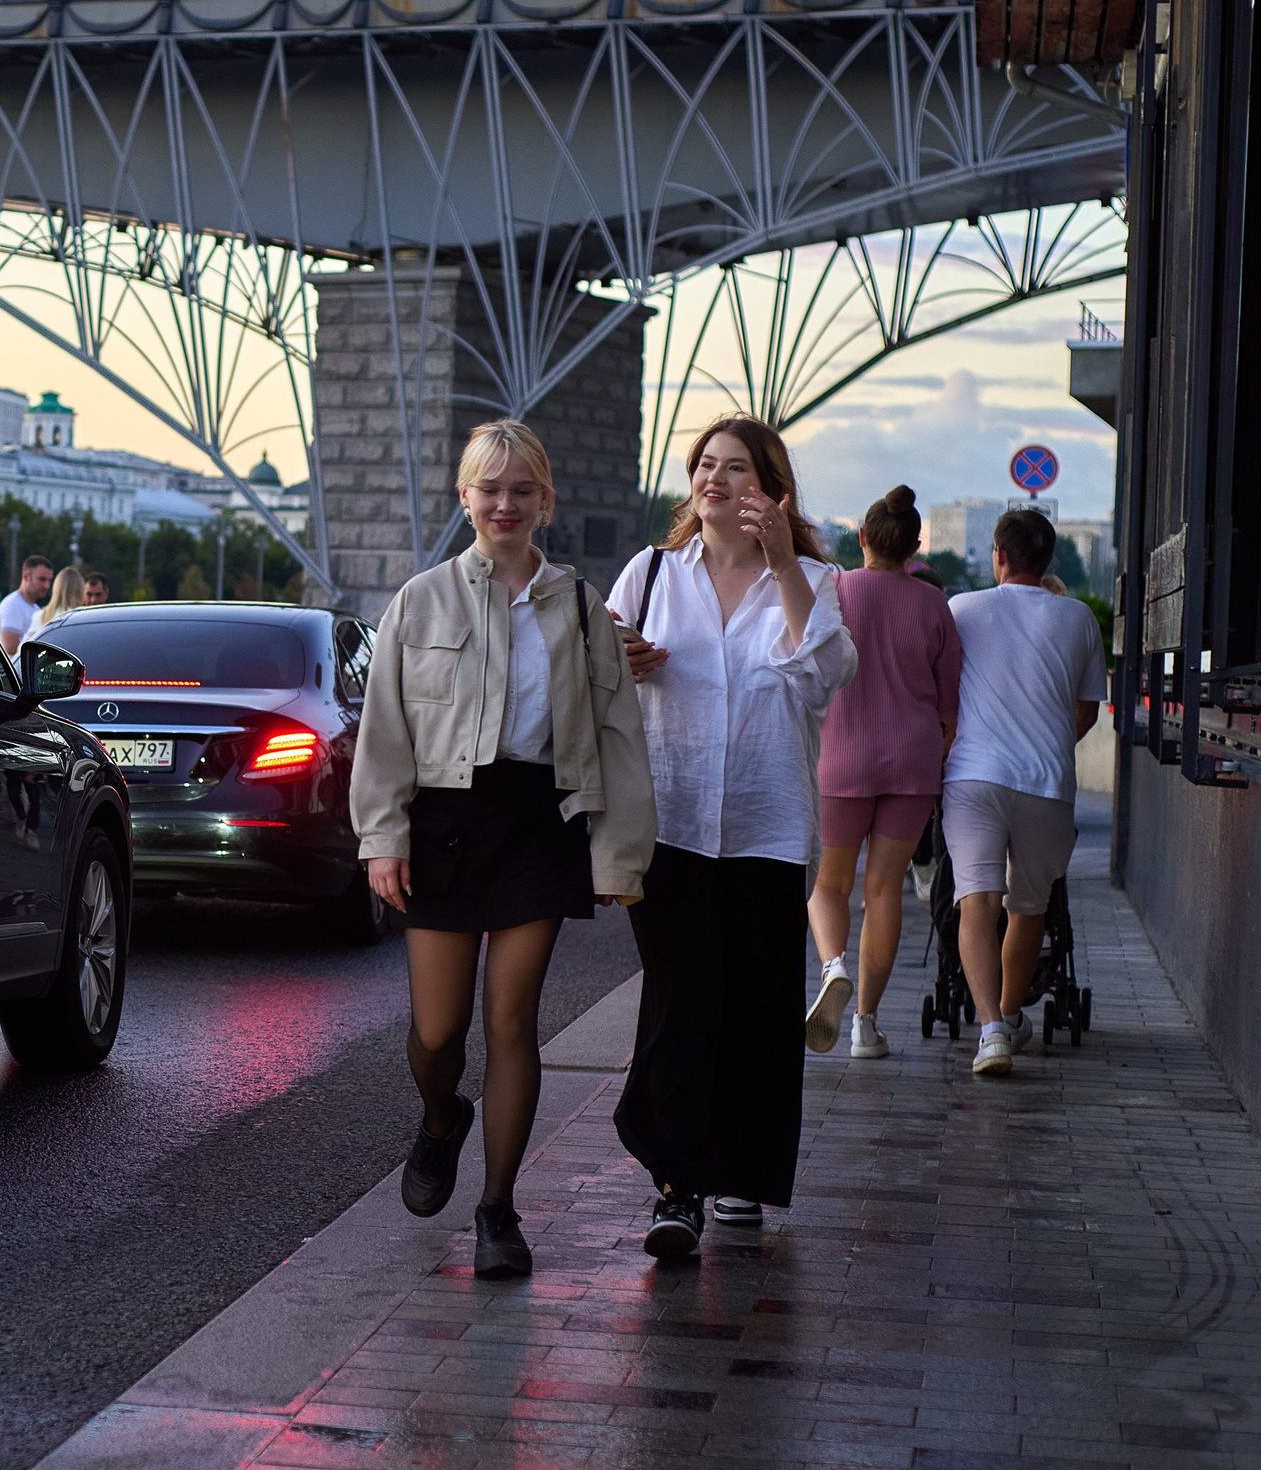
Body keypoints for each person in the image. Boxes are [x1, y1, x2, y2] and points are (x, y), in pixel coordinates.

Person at [352, 421, 657, 1280]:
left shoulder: (582, 606)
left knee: (512, 1017)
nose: (505, 503)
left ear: (545, 500)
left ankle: (497, 1210)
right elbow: (385, 730)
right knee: (437, 1030)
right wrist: (382, 835)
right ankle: (442, 1114)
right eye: (490, 488)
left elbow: (616, 732)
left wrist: (620, 857)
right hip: (442, 820)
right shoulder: (421, 600)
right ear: (465, 497)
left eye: (522, 489)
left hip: (539, 820)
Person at [608, 415, 854, 1257]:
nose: (715, 478)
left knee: (757, 1007)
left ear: (769, 488)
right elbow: (590, 672)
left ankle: (743, 1173)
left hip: (767, 827)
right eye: (704, 465)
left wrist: (783, 561)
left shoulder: (815, 579)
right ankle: (677, 1188)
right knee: (680, 1003)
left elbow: (826, 672)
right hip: (668, 824)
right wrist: (620, 658)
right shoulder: (649, 576)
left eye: (735, 467)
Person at [946, 509, 1105, 1077]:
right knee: (1027, 907)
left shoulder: (961, 609)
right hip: (1046, 783)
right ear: (1047, 560)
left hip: (972, 778)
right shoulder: (1080, 618)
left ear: (999, 556)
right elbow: (1086, 712)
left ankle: (990, 1031)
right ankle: (1010, 1015)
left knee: (976, 901)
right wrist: (1050, 739)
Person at [807, 485, 960, 1061]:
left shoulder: (835, 591)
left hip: (839, 758)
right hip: (912, 762)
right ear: (915, 547)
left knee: (829, 885)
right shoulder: (932, 605)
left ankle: (833, 967)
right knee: (883, 891)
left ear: (864, 538)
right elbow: (950, 707)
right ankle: (865, 1026)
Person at [0, 554, 53, 652]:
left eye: (49, 580)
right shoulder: (12, 605)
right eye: (42, 579)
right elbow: (10, 648)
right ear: (26, 576)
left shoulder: (36, 609)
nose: (47, 585)